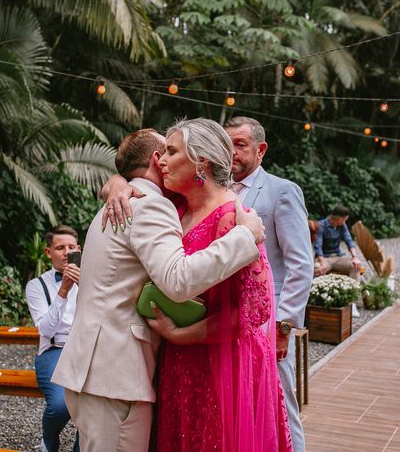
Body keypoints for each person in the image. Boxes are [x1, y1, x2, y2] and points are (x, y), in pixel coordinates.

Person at [51, 128, 267, 452]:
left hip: (94, 370)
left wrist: (117, 181)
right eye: (166, 151)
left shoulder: (119, 201)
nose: (168, 159)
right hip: (115, 376)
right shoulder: (149, 206)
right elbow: (177, 281)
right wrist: (244, 237)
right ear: (156, 159)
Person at [148, 118, 292, 451]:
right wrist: (117, 183)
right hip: (182, 361)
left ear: (202, 161)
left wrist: (181, 335)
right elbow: (134, 177)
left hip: (223, 366)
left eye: (171, 151)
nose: (162, 160)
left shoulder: (234, 217)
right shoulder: (177, 207)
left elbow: (255, 311)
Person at [224, 116, 313, 452]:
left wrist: (284, 326)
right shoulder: (216, 189)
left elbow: (300, 264)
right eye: (228, 143)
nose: (232, 151)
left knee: (280, 401)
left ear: (260, 150)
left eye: (240, 144)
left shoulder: (282, 191)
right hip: (225, 316)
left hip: (267, 317)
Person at [25, 225, 81, 452]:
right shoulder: (36, 286)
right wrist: (64, 290)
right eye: (60, 248)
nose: (66, 252)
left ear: (79, 249)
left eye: (71, 247)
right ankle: (48, 442)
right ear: (49, 252)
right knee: (59, 405)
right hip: (54, 349)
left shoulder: (91, 279)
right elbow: (46, 331)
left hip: (86, 348)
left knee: (92, 406)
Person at [314, 205, 362, 280]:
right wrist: (323, 263)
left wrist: (354, 257)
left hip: (338, 257)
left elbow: (349, 241)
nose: (345, 222)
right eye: (345, 220)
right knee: (317, 268)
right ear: (339, 219)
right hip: (324, 258)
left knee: (355, 266)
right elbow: (317, 247)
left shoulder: (343, 226)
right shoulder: (321, 226)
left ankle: (355, 290)